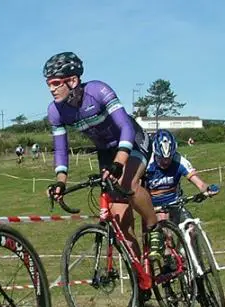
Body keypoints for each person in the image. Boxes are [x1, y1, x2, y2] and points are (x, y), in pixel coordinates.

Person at [42, 52, 163, 259]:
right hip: (106, 151)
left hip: (131, 140)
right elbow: (61, 149)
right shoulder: (55, 112)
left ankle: (154, 228)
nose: (51, 89)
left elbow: (125, 125)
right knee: (120, 224)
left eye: (55, 83)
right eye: (48, 84)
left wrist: (119, 162)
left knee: (128, 184)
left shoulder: (98, 90)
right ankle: (142, 282)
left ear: (72, 80)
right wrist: (60, 181)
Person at [145, 130, 219, 223]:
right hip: (154, 206)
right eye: (161, 158)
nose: (166, 162)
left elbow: (199, 183)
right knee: (166, 232)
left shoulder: (179, 160)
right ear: (155, 153)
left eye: (169, 158)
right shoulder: (147, 164)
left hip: (175, 202)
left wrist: (208, 189)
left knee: (191, 227)